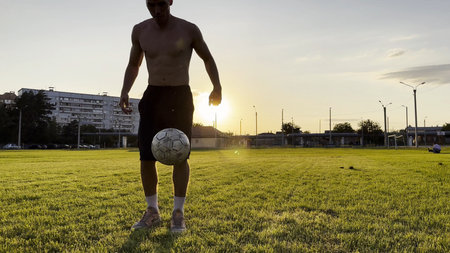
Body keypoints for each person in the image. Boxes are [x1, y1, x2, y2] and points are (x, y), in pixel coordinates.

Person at [119, 0, 222, 232]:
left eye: (162, 4)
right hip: (153, 95)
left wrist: (217, 86)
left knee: (180, 155)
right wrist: (125, 89)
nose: (157, 10)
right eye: (151, 4)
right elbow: (133, 64)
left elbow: (207, 58)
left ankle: (178, 213)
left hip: (180, 96)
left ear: (171, 1)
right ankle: (152, 211)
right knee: (146, 156)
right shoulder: (140, 30)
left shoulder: (189, 29)